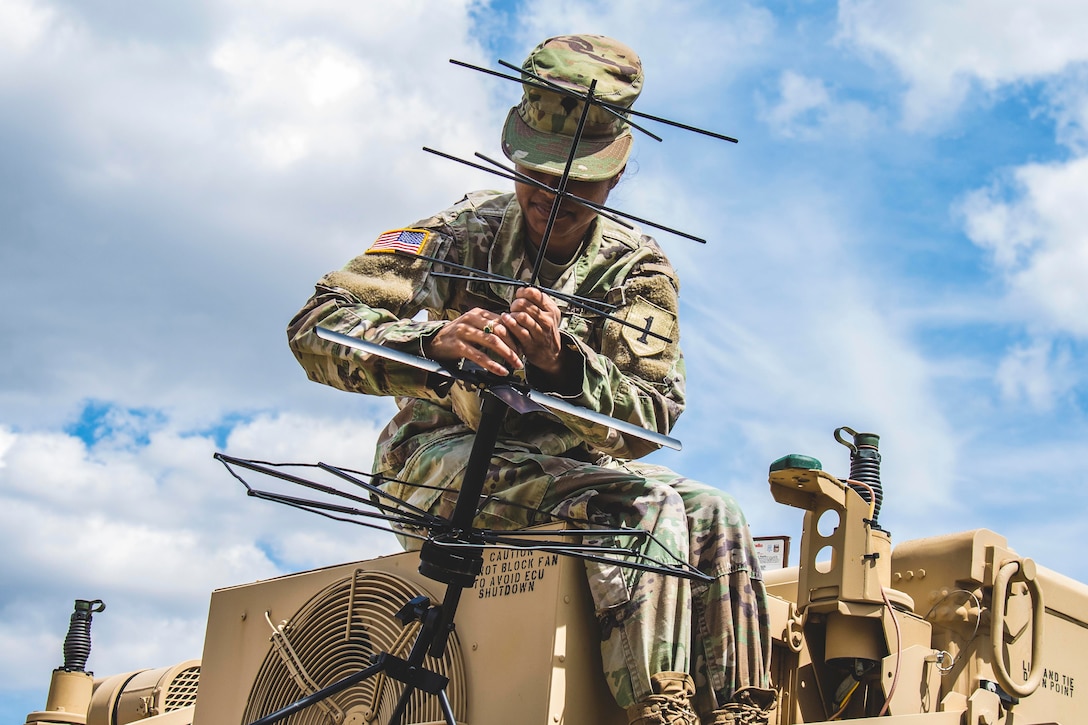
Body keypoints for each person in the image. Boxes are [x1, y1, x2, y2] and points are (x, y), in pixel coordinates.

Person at [287, 34, 776, 725]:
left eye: (578, 184)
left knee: (717, 514)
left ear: (615, 177)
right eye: (537, 175)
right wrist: (433, 343)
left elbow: (654, 418)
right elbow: (316, 324)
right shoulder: (464, 229)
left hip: (576, 470)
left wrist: (563, 365)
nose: (552, 197)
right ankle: (660, 711)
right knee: (638, 512)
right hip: (438, 459)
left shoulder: (637, 270)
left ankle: (741, 710)